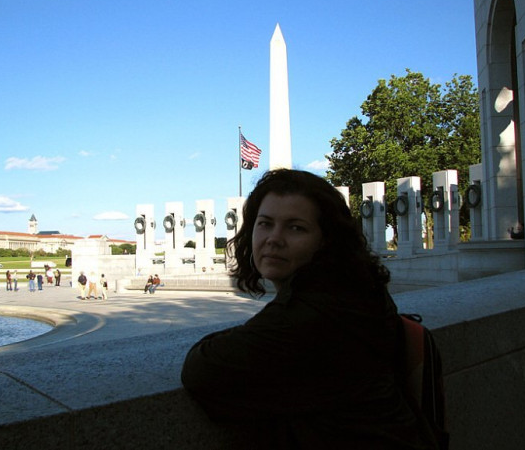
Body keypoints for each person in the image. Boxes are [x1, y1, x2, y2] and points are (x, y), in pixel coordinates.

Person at [181, 169, 438, 449]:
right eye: (265, 223)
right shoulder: (352, 289)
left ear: (327, 239)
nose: (274, 239)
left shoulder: (315, 313)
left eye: (295, 228)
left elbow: (201, 369)